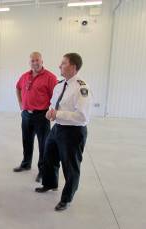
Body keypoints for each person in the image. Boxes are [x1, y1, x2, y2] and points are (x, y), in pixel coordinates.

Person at [35, 53, 93, 211]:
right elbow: (54, 104)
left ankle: (66, 198)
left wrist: (57, 114)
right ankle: (50, 184)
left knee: (70, 166)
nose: (60, 66)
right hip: (58, 128)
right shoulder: (60, 85)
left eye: (64, 63)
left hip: (73, 132)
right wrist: (49, 112)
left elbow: (82, 116)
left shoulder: (81, 88)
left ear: (73, 67)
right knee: (49, 157)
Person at [14, 52, 58, 182]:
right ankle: (26, 163)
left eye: (37, 60)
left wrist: (51, 111)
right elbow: (18, 88)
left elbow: (55, 97)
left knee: (43, 144)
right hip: (27, 115)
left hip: (42, 116)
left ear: (42, 61)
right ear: (29, 62)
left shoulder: (50, 77)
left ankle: (43, 170)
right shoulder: (25, 76)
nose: (35, 63)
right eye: (32, 61)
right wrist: (21, 103)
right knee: (26, 141)